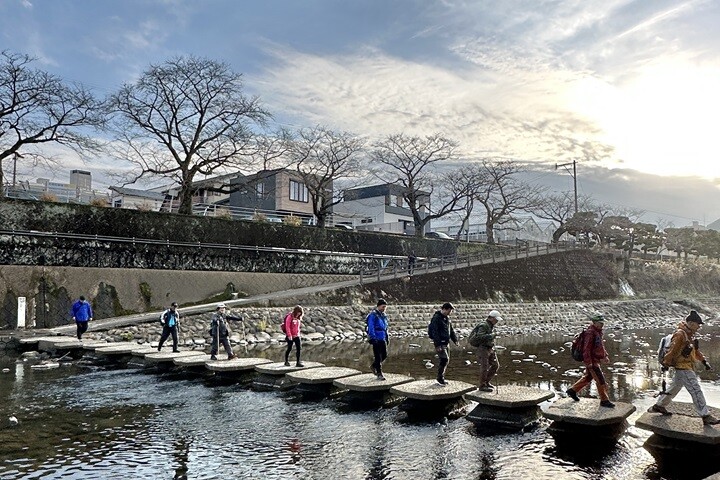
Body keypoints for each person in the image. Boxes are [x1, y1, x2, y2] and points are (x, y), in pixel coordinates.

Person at [648, 310, 720, 425]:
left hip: (686, 366)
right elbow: (672, 351)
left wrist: (704, 362)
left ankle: (659, 406)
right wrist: (666, 363)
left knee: (674, 387)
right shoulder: (680, 334)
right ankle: (705, 415)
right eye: (698, 324)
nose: (699, 326)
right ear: (691, 323)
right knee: (696, 390)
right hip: (683, 367)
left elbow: (695, 351)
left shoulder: (690, 335)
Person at [566, 314, 616, 408]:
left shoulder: (597, 332)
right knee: (600, 380)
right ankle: (604, 400)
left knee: (588, 377)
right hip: (592, 361)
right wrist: (589, 363)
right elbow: (586, 349)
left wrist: (605, 356)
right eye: (600, 323)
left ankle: (572, 391)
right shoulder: (590, 333)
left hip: (595, 360)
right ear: (594, 323)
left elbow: (600, 346)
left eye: (603, 323)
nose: (602, 325)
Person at [428, 302, 458, 386]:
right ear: (444, 309)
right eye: (449, 311)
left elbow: (451, 330)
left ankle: (441, 377)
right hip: (440, 343)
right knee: (444, 359)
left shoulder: (447, 318)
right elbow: (435, 332)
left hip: (446, 342)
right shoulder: (436, 318)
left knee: (446, 360)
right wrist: (437, 345)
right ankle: (440, 378)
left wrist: (455, 340)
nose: (450, 313)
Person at [475, 310, 502, 392]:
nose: (497, 321)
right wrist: (492, 335)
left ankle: (486, 382)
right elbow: (480, 336)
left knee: (495, 365)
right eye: (496, 319)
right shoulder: (483, 325)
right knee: (484, 367)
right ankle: (482, 386)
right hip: (483, 348)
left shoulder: (490, 325)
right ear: (492, 318)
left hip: (489, 348)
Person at [367, 299, 389, 380]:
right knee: (377, 356)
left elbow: (385, 327)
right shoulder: (373, 315)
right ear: (378, 306)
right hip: (376, 337)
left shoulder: (383, 315)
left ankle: (373, 366)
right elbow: (371, 327)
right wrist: (373, 337)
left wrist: (386, 337)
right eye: (383, 307)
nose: (384, 308)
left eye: (385, 307)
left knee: (384, 355)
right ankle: (379, 373)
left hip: (382, 337)